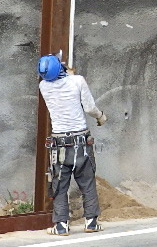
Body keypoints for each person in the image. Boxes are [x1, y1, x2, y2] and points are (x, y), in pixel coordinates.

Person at [38, 53, 107, 235]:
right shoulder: (78, 81)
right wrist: (101, 116)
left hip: (59, 143)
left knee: (60, 184)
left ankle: (61, 225)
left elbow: (60, 79)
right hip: (81, 140)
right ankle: (91, 222)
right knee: (87, 181)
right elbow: (90, 108)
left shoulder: (43, 86)